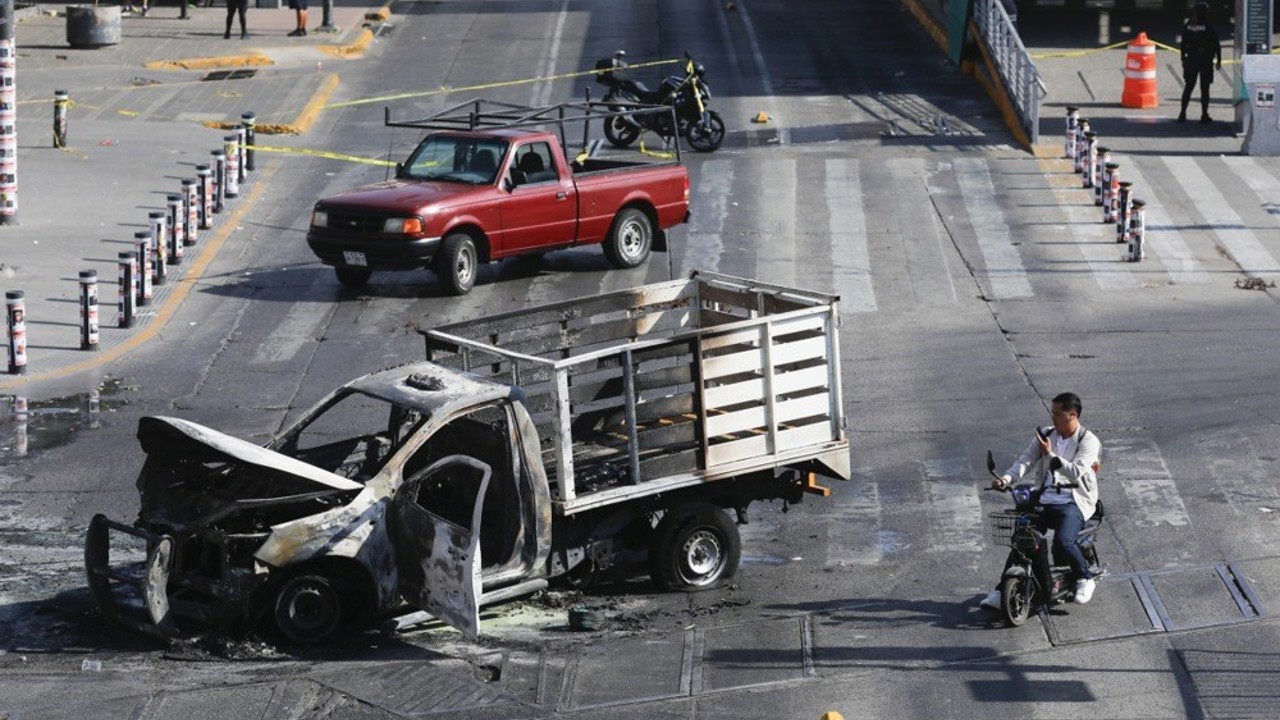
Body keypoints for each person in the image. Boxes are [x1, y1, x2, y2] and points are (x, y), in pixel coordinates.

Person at [980, 392, 1102, 610]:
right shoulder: (1047, 434)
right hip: (1044, 499)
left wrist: (1051, 455)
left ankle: (1085, 578)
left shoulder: (1088, 441)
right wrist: (1005, 479)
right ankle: (1001, 591)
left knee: (1064, 541)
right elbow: (1025, 461)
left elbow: (1075, 472)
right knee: (1022, 540)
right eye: (1052, 413)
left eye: (1057, 414)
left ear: (1072, 416)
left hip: (1073, 502)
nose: (1052, 418)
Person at [1178, 1, 1222, 124]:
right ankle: (1204, 114)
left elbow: (1183, 44)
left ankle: (1182, 113)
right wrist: (1219, 60)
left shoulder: (1188, 25)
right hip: (1205, 59)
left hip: (1191, 58)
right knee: (1205, 88)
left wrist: (1183, 58)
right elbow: (1216, 44)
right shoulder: (1208, 25)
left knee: (1189, 86)